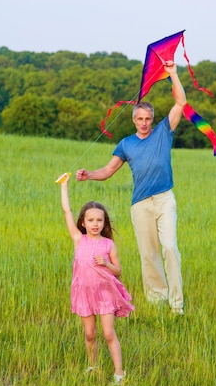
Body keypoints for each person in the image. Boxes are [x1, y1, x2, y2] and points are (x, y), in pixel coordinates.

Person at [76, 60, 186, 315]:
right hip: (140, 205)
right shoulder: (126, 144)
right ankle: (157, 300)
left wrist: (173, 74)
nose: (144, 123)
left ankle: (177, 305)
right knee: (149, 255)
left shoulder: (163, 132)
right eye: (140, 119)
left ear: (153, 119)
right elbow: (109, 170)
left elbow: (180, 103)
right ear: (134, 119)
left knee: (169, 247)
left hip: (164, 199)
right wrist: (88, 175)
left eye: (148, 118)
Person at [59, 173, 134, 384]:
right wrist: (64, 185)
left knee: (109, 333)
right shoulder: (78, 239)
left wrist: (107, 264)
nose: (95, 224)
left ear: (104, 222)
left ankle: (119, 373)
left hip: (104, 294)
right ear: (82, 222)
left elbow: (118, 271)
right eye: (91, 220)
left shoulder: (108, 245)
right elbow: (66, 211)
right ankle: (92, 366)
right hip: (84, 293)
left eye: (99, 220)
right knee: (90, 334)